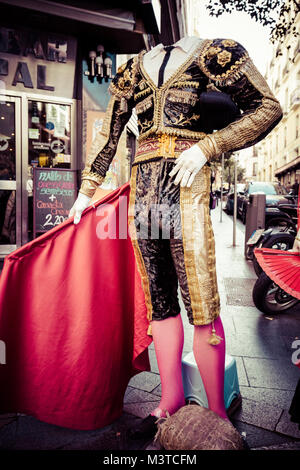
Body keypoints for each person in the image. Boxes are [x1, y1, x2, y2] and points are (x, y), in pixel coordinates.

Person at [69, 36, 282, 438]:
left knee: (199, 298)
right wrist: (85, 192)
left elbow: (268, 108)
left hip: (188, 188)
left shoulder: (214, 53)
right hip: (145, 191)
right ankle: (170, 399)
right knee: (160, 299)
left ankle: (215, 411)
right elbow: (109, 134)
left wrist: (209, 147)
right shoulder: (133, 69)